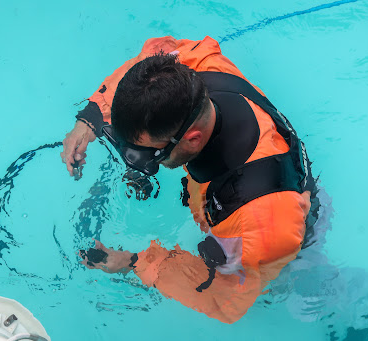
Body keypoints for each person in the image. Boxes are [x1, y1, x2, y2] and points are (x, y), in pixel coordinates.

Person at [61, 36, 314, 324]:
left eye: (151, 155)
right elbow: (153, 61)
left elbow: (223, 297)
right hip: (257, 193)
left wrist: (135, 262)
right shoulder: (200, 69)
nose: (144, 164)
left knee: (295, 291)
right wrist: (92, 116)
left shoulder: (256, 222)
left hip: (284, 239)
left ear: (192, 139)